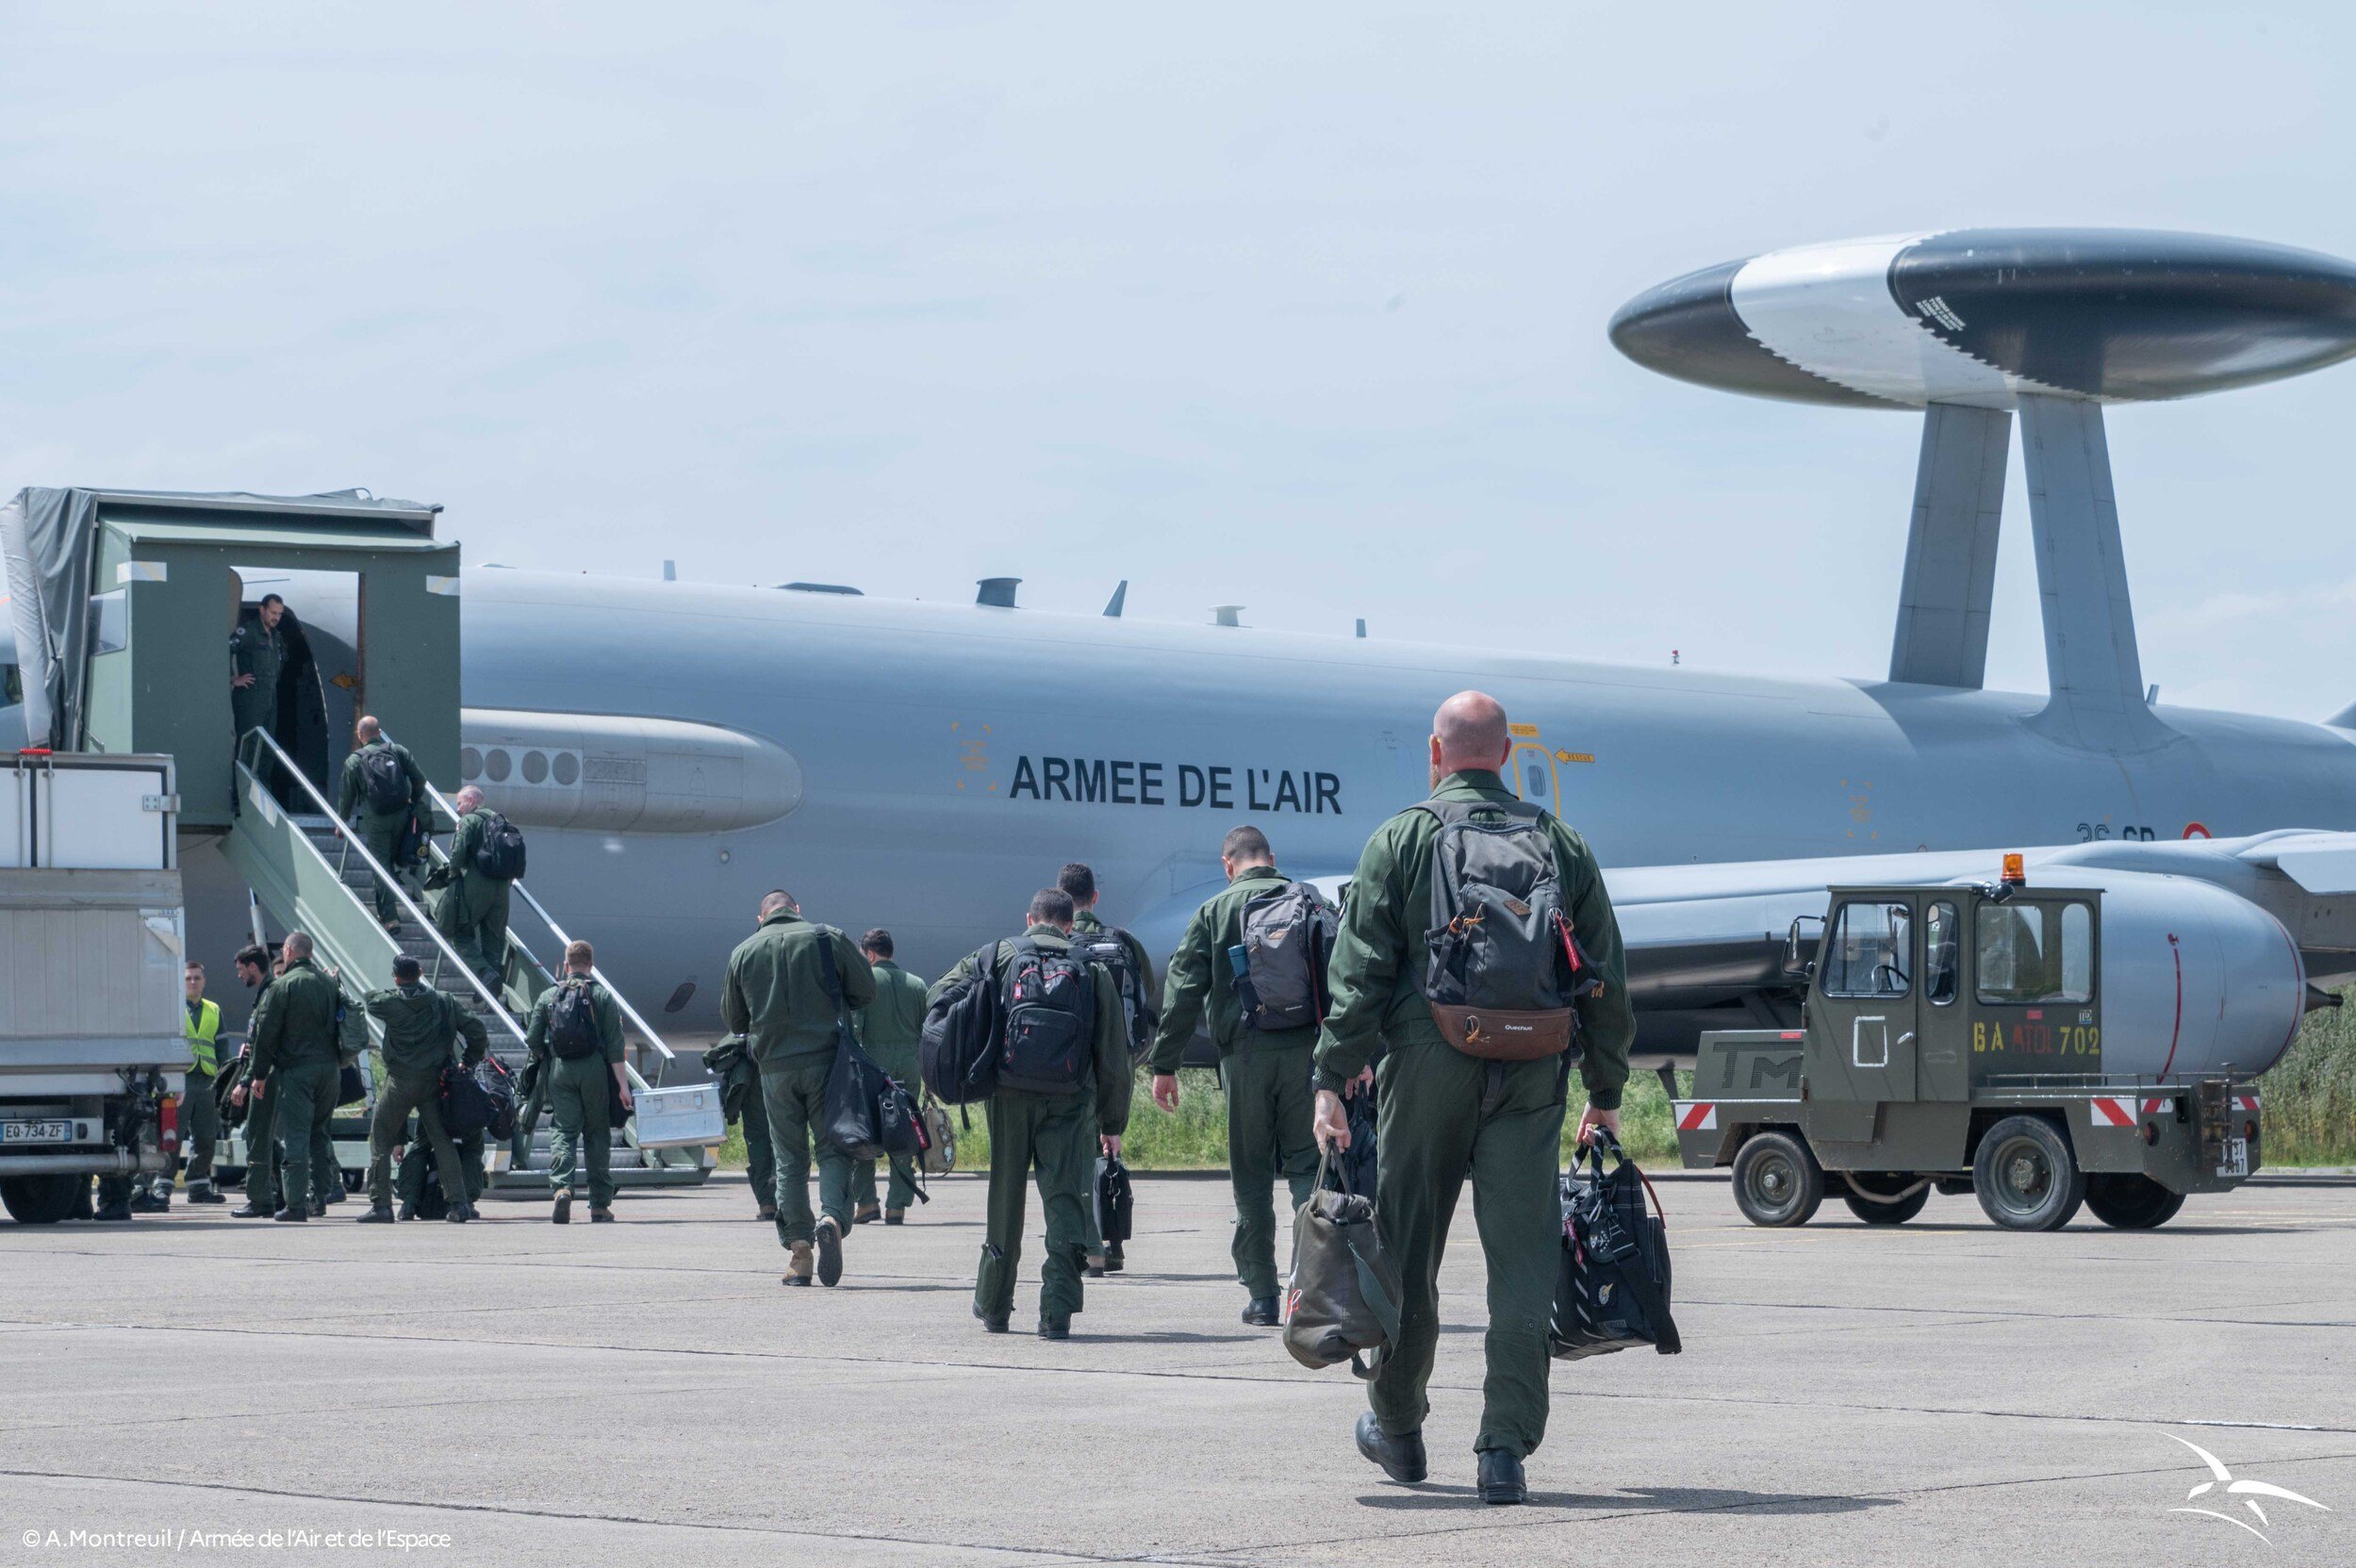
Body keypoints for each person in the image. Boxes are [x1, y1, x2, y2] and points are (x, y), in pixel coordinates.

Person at [1311, 690, 1634, 1507]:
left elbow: (1359, 969)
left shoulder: (1402, 837)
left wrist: (1332, 1077)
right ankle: (1503, 1451)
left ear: (1435, 752)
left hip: (1426, 1059)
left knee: (1406, 1253)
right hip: (1532, 1065)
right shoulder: (1559, 841)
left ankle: (1398, 1429)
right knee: (1521, 1264)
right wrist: (1605, 1087)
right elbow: (1604, 975)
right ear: (1506, 755)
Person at [931, 887, 1129, 1340]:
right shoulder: (1091, 967)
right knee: (1065, 1200)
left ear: (1029, 918)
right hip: (1071, 1099)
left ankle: (994, 1305)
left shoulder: (999, 955)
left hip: (1008, 1094)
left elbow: (939, 994)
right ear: (1069, 925)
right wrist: (1112, 1121)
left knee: (1006, 1198)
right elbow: (1114, 1056)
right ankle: (1056, 1312)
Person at [1146, 826, 1321, 1326]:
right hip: (1304, 1055)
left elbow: (1182, 989)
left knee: (1251, 1175)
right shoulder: (1308, 899)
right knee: (1308, 1171)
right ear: (1271, 857)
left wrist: (1165, 1063)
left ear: (1228, 865)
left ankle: (1263, 1296)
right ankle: (1312, 1288)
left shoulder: (1214, 910)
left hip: (1244, 1057)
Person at [723, 891, 874, 1283]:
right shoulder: (827, 937)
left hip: (775, 1070)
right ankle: (831, 1219)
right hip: (827, 1063)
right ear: (797, 910)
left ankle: (800, 1254)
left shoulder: (743, 952)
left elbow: (735, 1021)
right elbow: (866, 992)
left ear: (761, 918)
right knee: (833, 1148)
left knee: (789, 1160)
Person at [1059, 862, 1153, 1275]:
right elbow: (1147, 993)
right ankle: (1113, 1243)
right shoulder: (1124, 940)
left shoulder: (1061, 942)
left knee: (1079, 1151)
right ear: (1095, 897)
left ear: (1060, 897)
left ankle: (1088, 1244)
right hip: (1120, 1059)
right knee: (1110, 1145)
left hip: (1074, 1060)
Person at [360, 956, 486, 1223]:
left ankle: (381, 1204)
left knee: (381, 1137)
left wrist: (398, 989)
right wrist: (468, 1061)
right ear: (420, 972)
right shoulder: (444, 1001)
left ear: (396, 978)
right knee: (442, 1141)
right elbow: (477, 1030)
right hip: (434, 1082)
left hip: (400, 1082)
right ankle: (459, 1204)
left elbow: (369, 997)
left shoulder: (389, 1003)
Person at [525, 940, 633, 1223]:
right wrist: (623, 1087)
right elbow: (615, 1046)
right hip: (594, 1070)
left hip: (560, 1071)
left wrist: (546, 1055)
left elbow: (532, 1038)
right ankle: (599, 1205)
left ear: (566, 964)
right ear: (591, 964)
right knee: (597, 1135)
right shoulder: (602, 996)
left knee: (564, 1131)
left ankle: (562, 1189)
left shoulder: (549, 996)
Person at [243, 932, 346, 1223]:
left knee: (296, 1136)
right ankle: (320, 1198)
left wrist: (259, 1074)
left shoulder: (282, 986)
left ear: (288, 950)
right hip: (330, 1071)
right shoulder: (329, 983)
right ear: (310, 952)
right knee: (320, 1134)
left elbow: (266, 1034)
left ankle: (296, 1205)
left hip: (298, 1071)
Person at [848, 928, 927, 1225]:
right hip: (909, 1068)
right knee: (903, 1136)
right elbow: (927, 1031)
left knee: (864, 1136)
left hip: (873, 1070)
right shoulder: (917, 985)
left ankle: (867, 1202)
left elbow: (856, 1031)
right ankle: (897, 1206)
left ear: (869, 954)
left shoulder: (865, 982)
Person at [336, 716, 428, 931]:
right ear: (379, 732)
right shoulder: (398, 751)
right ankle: (393, 891)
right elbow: (420, 779)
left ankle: (390, 917)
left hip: (376, 820)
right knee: (391, 861)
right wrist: (413, 801)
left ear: (360, 735)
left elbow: (346, 797)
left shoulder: (354, 761)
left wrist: (342, 821)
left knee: (381, 866)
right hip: (401, 814)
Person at [157, 961, 226, 1207]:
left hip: (207, 1082)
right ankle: (163, 1185)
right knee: (171, 1136)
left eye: (197, 978)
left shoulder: (214, 1010)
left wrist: (225, 1081)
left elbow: (222, 1048)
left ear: (204, 981)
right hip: (180, 1081)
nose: (193, 982)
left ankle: (198, 1186)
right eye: (188, 978)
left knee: (206, 1137)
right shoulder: (172, 1009)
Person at [435, 785, 514, 986]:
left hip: (477, 885)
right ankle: (493, 991)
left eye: (460, 803)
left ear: (471, 800)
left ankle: (484, 972)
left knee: (458, 932)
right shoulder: (503, 822)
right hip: (502, 888)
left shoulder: (469, 820)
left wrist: (452, 875)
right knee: (494, 941)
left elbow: (458, 852)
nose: (458, 809)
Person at [227, 945, 281, 1217]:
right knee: (266, 1137)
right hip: (268, 1074)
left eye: (241, 970)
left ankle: (260, 1199)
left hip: (266, 1077)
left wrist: (248, 1080)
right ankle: (280, 1193)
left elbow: (263, 1043)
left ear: (252, 967)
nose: (239, 975)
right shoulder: (267, 993)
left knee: (257, 1135)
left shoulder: (269, 994)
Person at [229, 593, 287, 752]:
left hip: (270, 696)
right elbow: (225, 649)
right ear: (262, 610)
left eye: (279, 614)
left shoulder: (275, 636)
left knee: (269, 746)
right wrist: (233, 678)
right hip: (251, 697)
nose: (276, 618)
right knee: (250, 744)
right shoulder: (249, 631)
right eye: (273, 613)